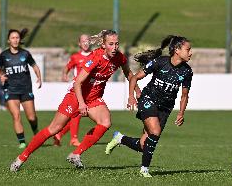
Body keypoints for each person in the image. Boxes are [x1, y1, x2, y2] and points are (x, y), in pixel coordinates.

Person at [10, 29, 141, 172]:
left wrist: (134, 93)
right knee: (54, 129)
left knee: (105, 122)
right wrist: (81, 103)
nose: (115, 47)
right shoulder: (95, 57)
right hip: (75, 97)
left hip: (94, 99)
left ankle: (76, 154)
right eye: (111, 44)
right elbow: (77, 82)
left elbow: (129, 74)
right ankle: (21, 158)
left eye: (116, 44)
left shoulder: (119, 58)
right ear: (103, 44)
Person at [105, 35, 193, 177]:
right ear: (177, 50)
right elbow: (134, 77)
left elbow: (184, 95)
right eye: (188, 49)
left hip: (165, 108)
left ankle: (119, 138)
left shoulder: (187, 71)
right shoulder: (159, 62)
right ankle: (144, 169)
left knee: (143, 145)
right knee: (155, 131)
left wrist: (181, 113)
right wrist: (131, 96)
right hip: (148, 99)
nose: (190, 53)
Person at [0, 28, 42, 149]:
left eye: (17, 38)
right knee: (16, 115)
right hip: (10, 90)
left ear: (20, 39)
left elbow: (35, 66)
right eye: (13, 38)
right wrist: (1, 76)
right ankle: (22, 142)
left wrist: (39, 77)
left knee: (31, 117)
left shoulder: (25, 54)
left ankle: (35, 130)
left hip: (25, 89)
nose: (15, 40)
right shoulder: (3, 55)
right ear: (8, 41)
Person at [53, 34, 92, 147]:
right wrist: (64, 74)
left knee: (76, 113)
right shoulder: (75, 57)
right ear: (79, 44)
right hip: (77, 88)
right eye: (83, 41)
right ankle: (74, 139)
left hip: (89, 89)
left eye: (87, 41)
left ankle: (59, 135)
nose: (85, 43)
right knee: (78, 113)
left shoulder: (94, 55)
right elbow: (67, 67)